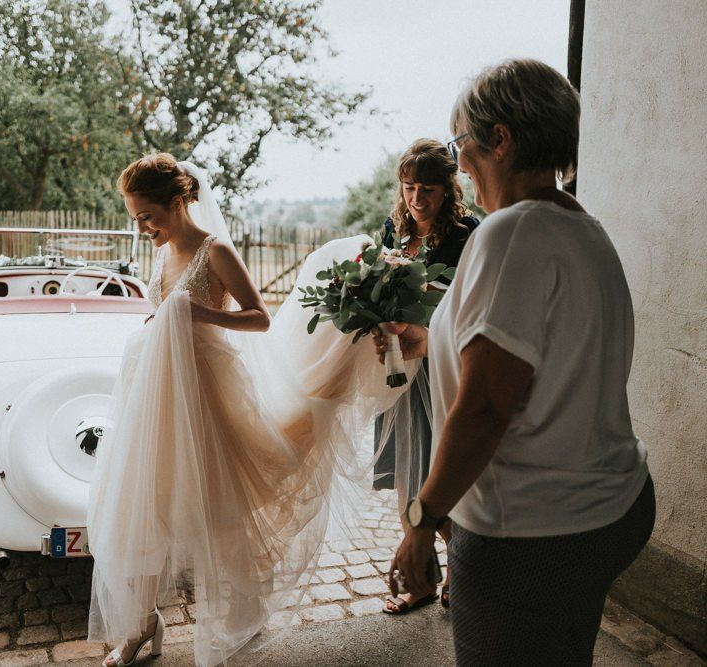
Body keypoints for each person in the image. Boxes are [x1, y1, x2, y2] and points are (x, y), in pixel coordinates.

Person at [86, 154, 412, 667]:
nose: (142, 227)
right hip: (154, 393)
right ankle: (141, 625)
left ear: (178, 203)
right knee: (144, 506)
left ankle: (238, 618)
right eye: (135, 218)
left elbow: (259, 318)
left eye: (148, 215)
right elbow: (162, 315)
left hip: (207, 394)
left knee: (219, 512)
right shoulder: (160, 253)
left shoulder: (215, 252)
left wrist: (199, 313)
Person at [378, 59, 654, 664]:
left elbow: (485, 406)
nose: (459, 165)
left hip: (533, 532)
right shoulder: (584, 227)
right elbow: (543, 355)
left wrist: (423, 520)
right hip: (612, 503)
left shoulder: (510, 234)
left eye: (460, 146)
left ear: (500, 139)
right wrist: (424, 341)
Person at [372, 138, 479, 615]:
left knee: (441, 471)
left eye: (429, 189)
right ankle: (421, 582)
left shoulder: (467, 234)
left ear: (447, 189)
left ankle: (462, 573)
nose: (417, 199)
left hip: (442, 369)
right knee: (407, 477)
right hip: (401, 369)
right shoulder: (391, 230)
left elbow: (469, 308)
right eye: (410, 188)